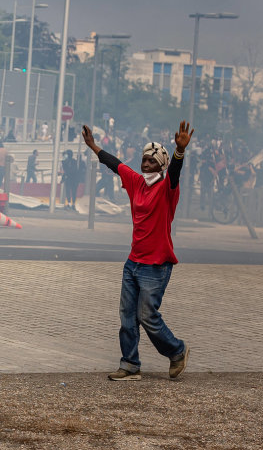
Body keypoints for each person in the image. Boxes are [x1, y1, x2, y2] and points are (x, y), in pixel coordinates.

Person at [81, 121, 192, 382]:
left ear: (161, 166)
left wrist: (179, 152)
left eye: (151, 162)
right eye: (143, 160)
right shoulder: (135, 182)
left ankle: (177, 350)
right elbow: (115, 163)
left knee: (146, 315)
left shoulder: (167, 190)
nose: (145, 165)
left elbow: (175, 172)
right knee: (127, 316)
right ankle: (130, 364)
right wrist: (93, 146)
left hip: (157, 265)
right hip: (133, 262)